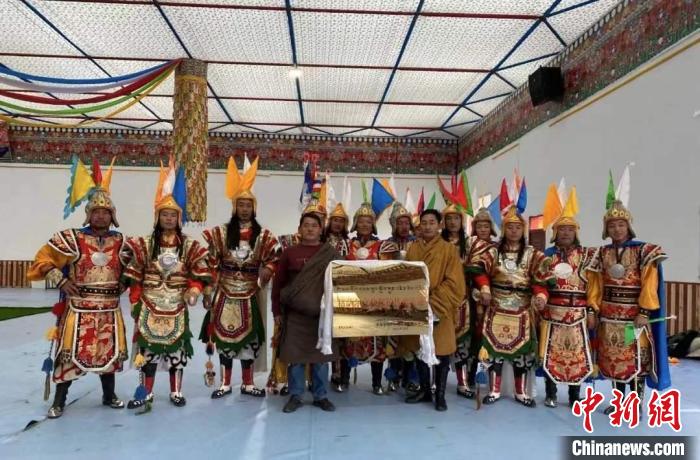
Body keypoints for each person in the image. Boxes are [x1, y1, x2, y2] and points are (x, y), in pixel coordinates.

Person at [28, 170, 128, 419]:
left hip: (109, 308)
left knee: (109, 353)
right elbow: (42, 260)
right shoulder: (72, 238)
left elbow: (134, 267)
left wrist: (126, 282)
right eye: (96, 211)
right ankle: (59, 400)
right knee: (69, 353)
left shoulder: (121, 241)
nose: (101, 215)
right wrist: (61, 280)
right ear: (88, 214)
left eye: (105, 212)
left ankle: (109, 395)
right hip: (79, 308)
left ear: (113, 216)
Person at [121, 183, 210, 409]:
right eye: (165, 215)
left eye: (172, 215)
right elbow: (135, 276)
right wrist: (134, 301)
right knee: (148, 352)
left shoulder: (189, 245)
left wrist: (194, 290)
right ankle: (145, 392)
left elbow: (199, 273)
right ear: (157, 217)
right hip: (149, 304)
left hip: (176, 305)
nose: (169, 219)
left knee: (177, 351)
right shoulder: (144, 244)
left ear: (178, 218)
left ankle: (176, 391)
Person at [201, 158, 280, 399]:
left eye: (248, 205)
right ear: (234, 207)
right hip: (225, 292)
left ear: (254, 209)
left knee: (249, 339)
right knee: (224, 338)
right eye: (241, 205)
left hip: (250, 292)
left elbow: (274, 258)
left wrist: (268, 269)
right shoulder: (221, 233)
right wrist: (208, 290)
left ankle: (247, 383)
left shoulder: (263, 235)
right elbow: (210, 262)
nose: (244, 209)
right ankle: (225, 383)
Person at [586, 200, 670, 413]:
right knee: (613, 360)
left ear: (628, 226)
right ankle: (618, 402)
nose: (617, 229)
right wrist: (592, 309)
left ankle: (634, 404)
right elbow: (595, 285)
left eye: (621, 225)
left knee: (635, 360)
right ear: (606, 229)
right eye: (612, 225)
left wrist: (644, 311)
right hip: (609, 318)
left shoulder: (643, 251)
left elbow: (650, 283)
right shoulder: (601, 253)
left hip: (633, 319)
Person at [472, 206, 553, 408]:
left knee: (522, 352)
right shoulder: (493, 252)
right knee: (494, 350)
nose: (514, 231)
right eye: (510, 227)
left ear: (523, 230)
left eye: (518, 227)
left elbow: (541, 279)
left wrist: (541, 296)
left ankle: (520, 392)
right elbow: (479, 270)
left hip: (522, 308)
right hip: (496, 305)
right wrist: (484, 288)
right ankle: (494, 390)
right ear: (503, 229)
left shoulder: (532, 254)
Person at [273, 213, 340, 413]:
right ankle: (296, 396)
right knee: (296, 358)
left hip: (323, 316)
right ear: (300, 229)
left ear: (321, 230)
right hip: (295, 315)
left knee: (321, 358)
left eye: (314, 225)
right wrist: (276, 311)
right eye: (306, 225)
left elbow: (341, 281)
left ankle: (321, 396)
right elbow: (278, 284)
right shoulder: (289, 253)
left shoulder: (330, 253)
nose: (310, 229)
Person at [404, 209, 466, 411]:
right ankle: (424, 390)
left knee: (442, 351)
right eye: (424, 222)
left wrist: (433, 302)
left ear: (440, 225)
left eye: (432, 222)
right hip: (417, 305)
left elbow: (455, 282)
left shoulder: (449, 250)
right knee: (420, 348)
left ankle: (440, 394)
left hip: (440, 307)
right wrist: (416, 300)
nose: (428, 226)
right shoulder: (413, 249)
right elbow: (405, 276)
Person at [540, 191, 596, 408]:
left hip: (578, 314)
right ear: (555, 232)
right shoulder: (546, 255)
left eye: (570, 229)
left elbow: (593, 286)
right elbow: (539, 281)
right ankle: (551, 394)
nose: (565, 233)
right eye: (562, 229)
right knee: (551, 354)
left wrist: (591, 311)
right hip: (552, 311)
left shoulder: (586, 256)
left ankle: (574, 396)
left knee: (577, 355)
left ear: (576, 232)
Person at [343, 202, 398, 394]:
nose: (365, 225)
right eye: (361, 221)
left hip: (375, 302)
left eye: (368, 221)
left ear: (373, 224)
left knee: (377, 342)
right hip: (351, 300)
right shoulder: (346, 245)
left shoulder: (383, 246)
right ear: (355, 224)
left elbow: (388, 272)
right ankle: (344, 379)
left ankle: (376, 383)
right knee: (348, 340)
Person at [385, 201, 419, 392]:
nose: (404, 226)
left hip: (413, 295)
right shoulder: (387, 244)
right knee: (393, 336)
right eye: (400, 223)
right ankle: (393, 377)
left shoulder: (418, 243)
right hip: (392, 296)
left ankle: (411, 378)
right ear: (394, 225)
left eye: (406, 222)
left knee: (411, 337)